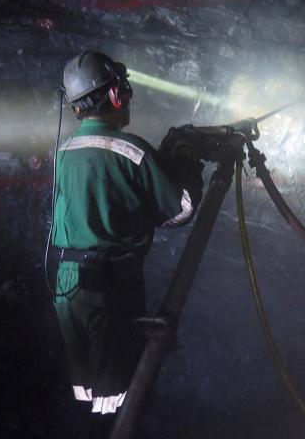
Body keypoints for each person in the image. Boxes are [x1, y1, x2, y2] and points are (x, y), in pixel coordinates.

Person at [50, 51, 203, 438]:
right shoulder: (131, 150)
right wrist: (184, 161)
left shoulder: (64, 151)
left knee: (86, 394)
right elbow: (181, 209)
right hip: (109, 286)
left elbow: (95, 204)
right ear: (117, 95)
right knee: (118, 400)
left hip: (67, 285)